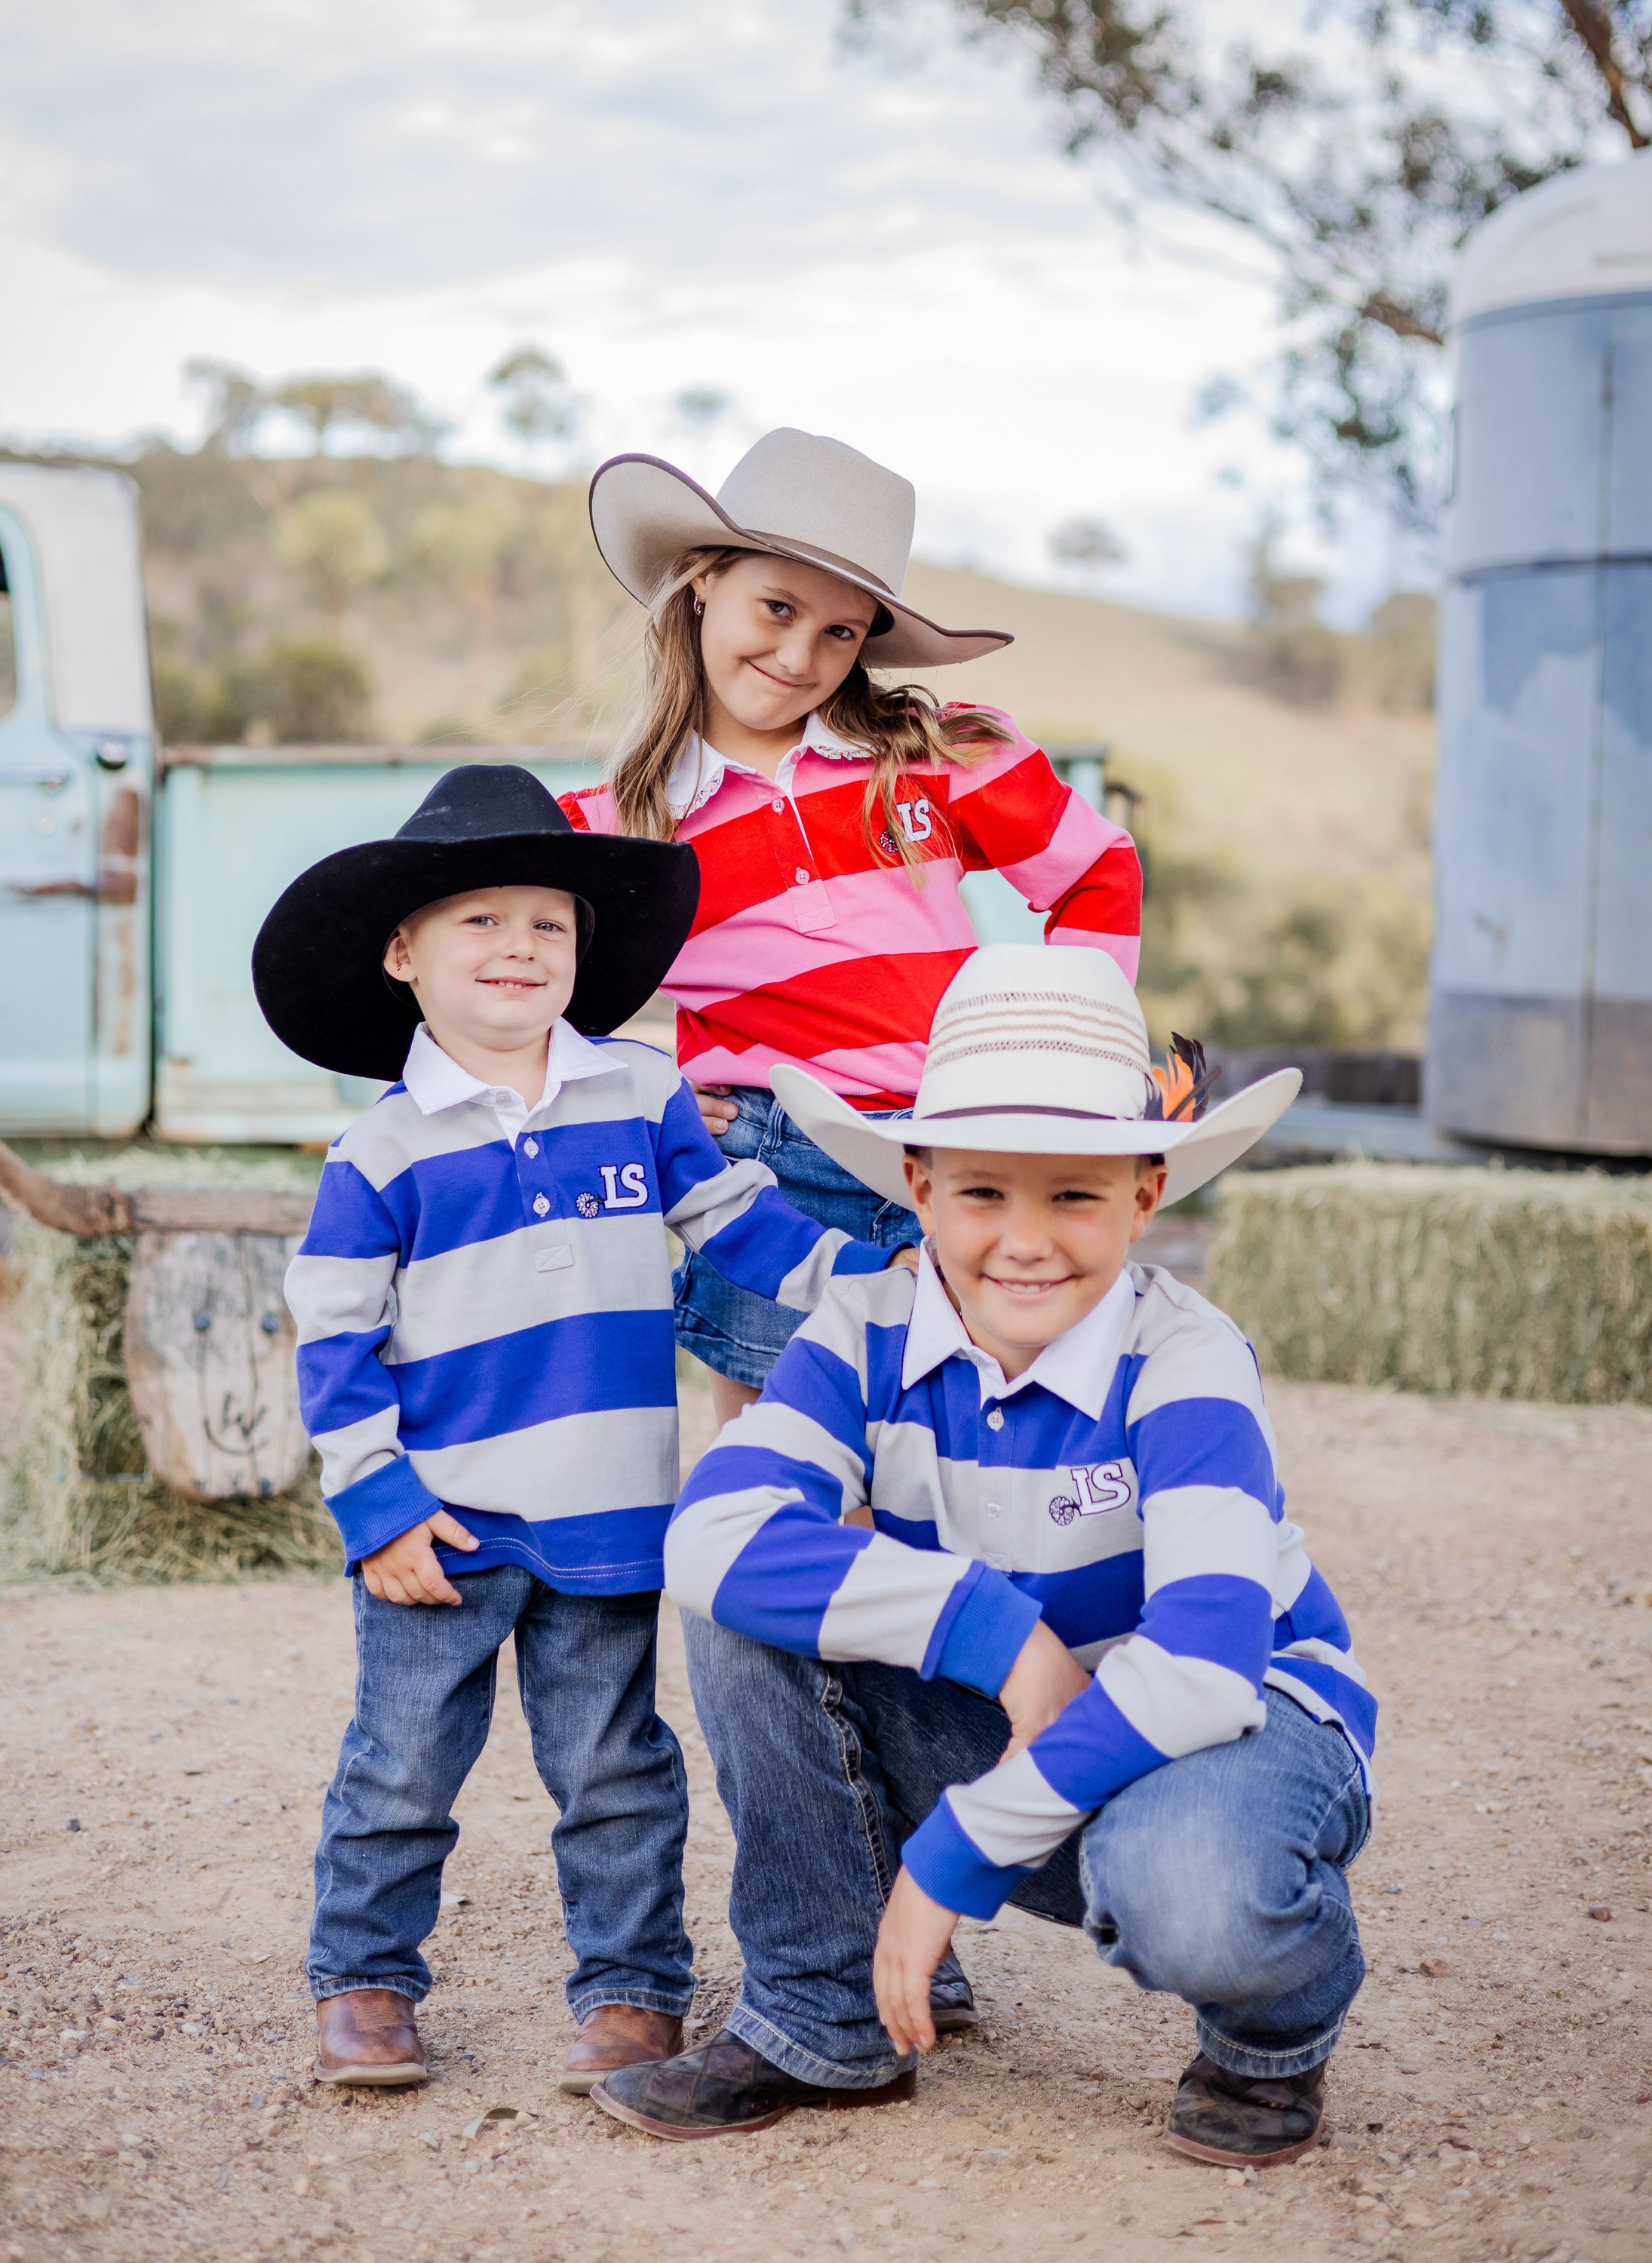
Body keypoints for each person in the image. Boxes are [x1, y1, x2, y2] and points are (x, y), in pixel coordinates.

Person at [593, 946, 1377, 2165]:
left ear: (1144, 1194)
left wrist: (952, 1858)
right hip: (1013, 1713)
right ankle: (822, 2008)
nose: (1023, 1242)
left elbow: (1207, 1669)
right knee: (747, 1599)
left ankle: (1268, 2038)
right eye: (979, 1195)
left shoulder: (1186, 1358)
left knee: (1193, 1892)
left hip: (1227, 1738)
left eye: (1073, 1195)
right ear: (914, 1185)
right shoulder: (865, 1323)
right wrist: (997, 1633)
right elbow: (709, 1536)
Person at [250, 763, 910, 2096]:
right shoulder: (377, 1150)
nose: (517, 946)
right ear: (403, 954)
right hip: (438, 1518)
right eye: (477, 921)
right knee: (400, 1767)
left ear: (580, 954)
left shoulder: (641, 1094)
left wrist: (880, 1286)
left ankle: (628, 1993)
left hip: (609, 1508)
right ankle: (366, 1983)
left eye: (546, 924)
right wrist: (372, 1502)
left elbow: (738, 1225)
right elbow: (331, 1337)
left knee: (614, 1768)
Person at [563, 426, 1142, 1439]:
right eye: (776, 609)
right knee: (776, 1473)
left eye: (841, 632)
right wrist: (633, 1075)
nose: (799, 658)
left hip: (957, 1147)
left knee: (964, 1463)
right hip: (767, 1172)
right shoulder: (614, 827)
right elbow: (511, 992)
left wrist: (1056, 1059)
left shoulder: (941, 756)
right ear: (702, 581)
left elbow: (1099, 870)